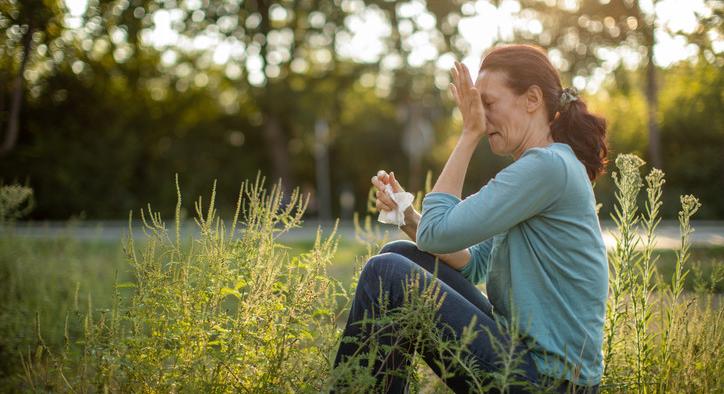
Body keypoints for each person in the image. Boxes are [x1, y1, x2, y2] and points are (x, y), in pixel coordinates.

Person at [332, 44, 608, 393]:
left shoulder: (547, 167)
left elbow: (436, 234)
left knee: (385, 273)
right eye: (477, 108)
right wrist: (407, 215)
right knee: (402, 255)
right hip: (526, 364)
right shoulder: (540, 168)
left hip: (547, 381)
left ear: (532, 99)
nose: (481, 116)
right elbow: (474, 263)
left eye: (488, 104)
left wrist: (469, 134)